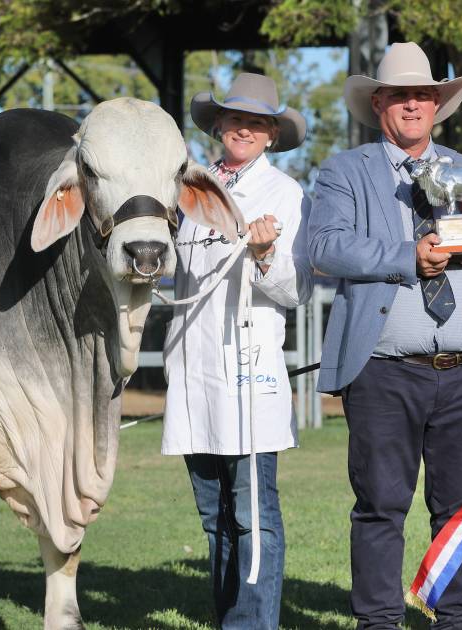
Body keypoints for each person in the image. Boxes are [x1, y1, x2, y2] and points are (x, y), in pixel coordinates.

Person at [307, 42, 462, 630]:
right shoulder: (345, 171)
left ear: (437, 105)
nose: (412, 105)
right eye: (400, 95)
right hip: (383, 367)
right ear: (379, 103)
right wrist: (408, 256)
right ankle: (378, 621)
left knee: (460, 509)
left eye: (423, 95)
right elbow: (324, 247)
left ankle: (456, 620)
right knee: (380, 505)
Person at [161, 72, 311, 629]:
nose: (243, 129)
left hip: (247, 369)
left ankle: (250, 622)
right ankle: (227, 614)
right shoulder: (183, 193)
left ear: (271, 135)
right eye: (235, 118)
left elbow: (295, 291)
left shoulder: (284, 194)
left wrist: (266, 253)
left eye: (256, 122)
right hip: (192, 368)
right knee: (212, 514)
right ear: (218, 125)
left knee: (252, 511)